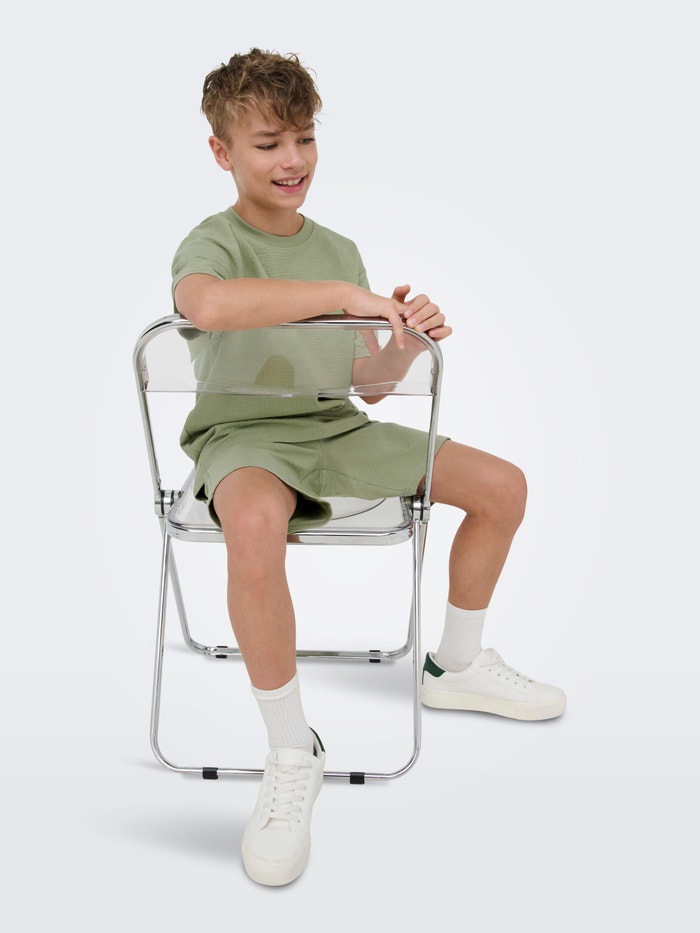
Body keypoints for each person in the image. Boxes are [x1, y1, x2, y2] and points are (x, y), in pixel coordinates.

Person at [171, 48, 565, 887]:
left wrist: (402, 343)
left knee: (503, 487)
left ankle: (456, 664)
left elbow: (365, 384)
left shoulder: (337, 248)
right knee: (253, 520)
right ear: (222, 152)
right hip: (244, 435)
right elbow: (205, 305)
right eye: (268, 143)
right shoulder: (214, 241)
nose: (292, 160)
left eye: (304, 138)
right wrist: (343, 297)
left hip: (333, 429)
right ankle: (292, 749)